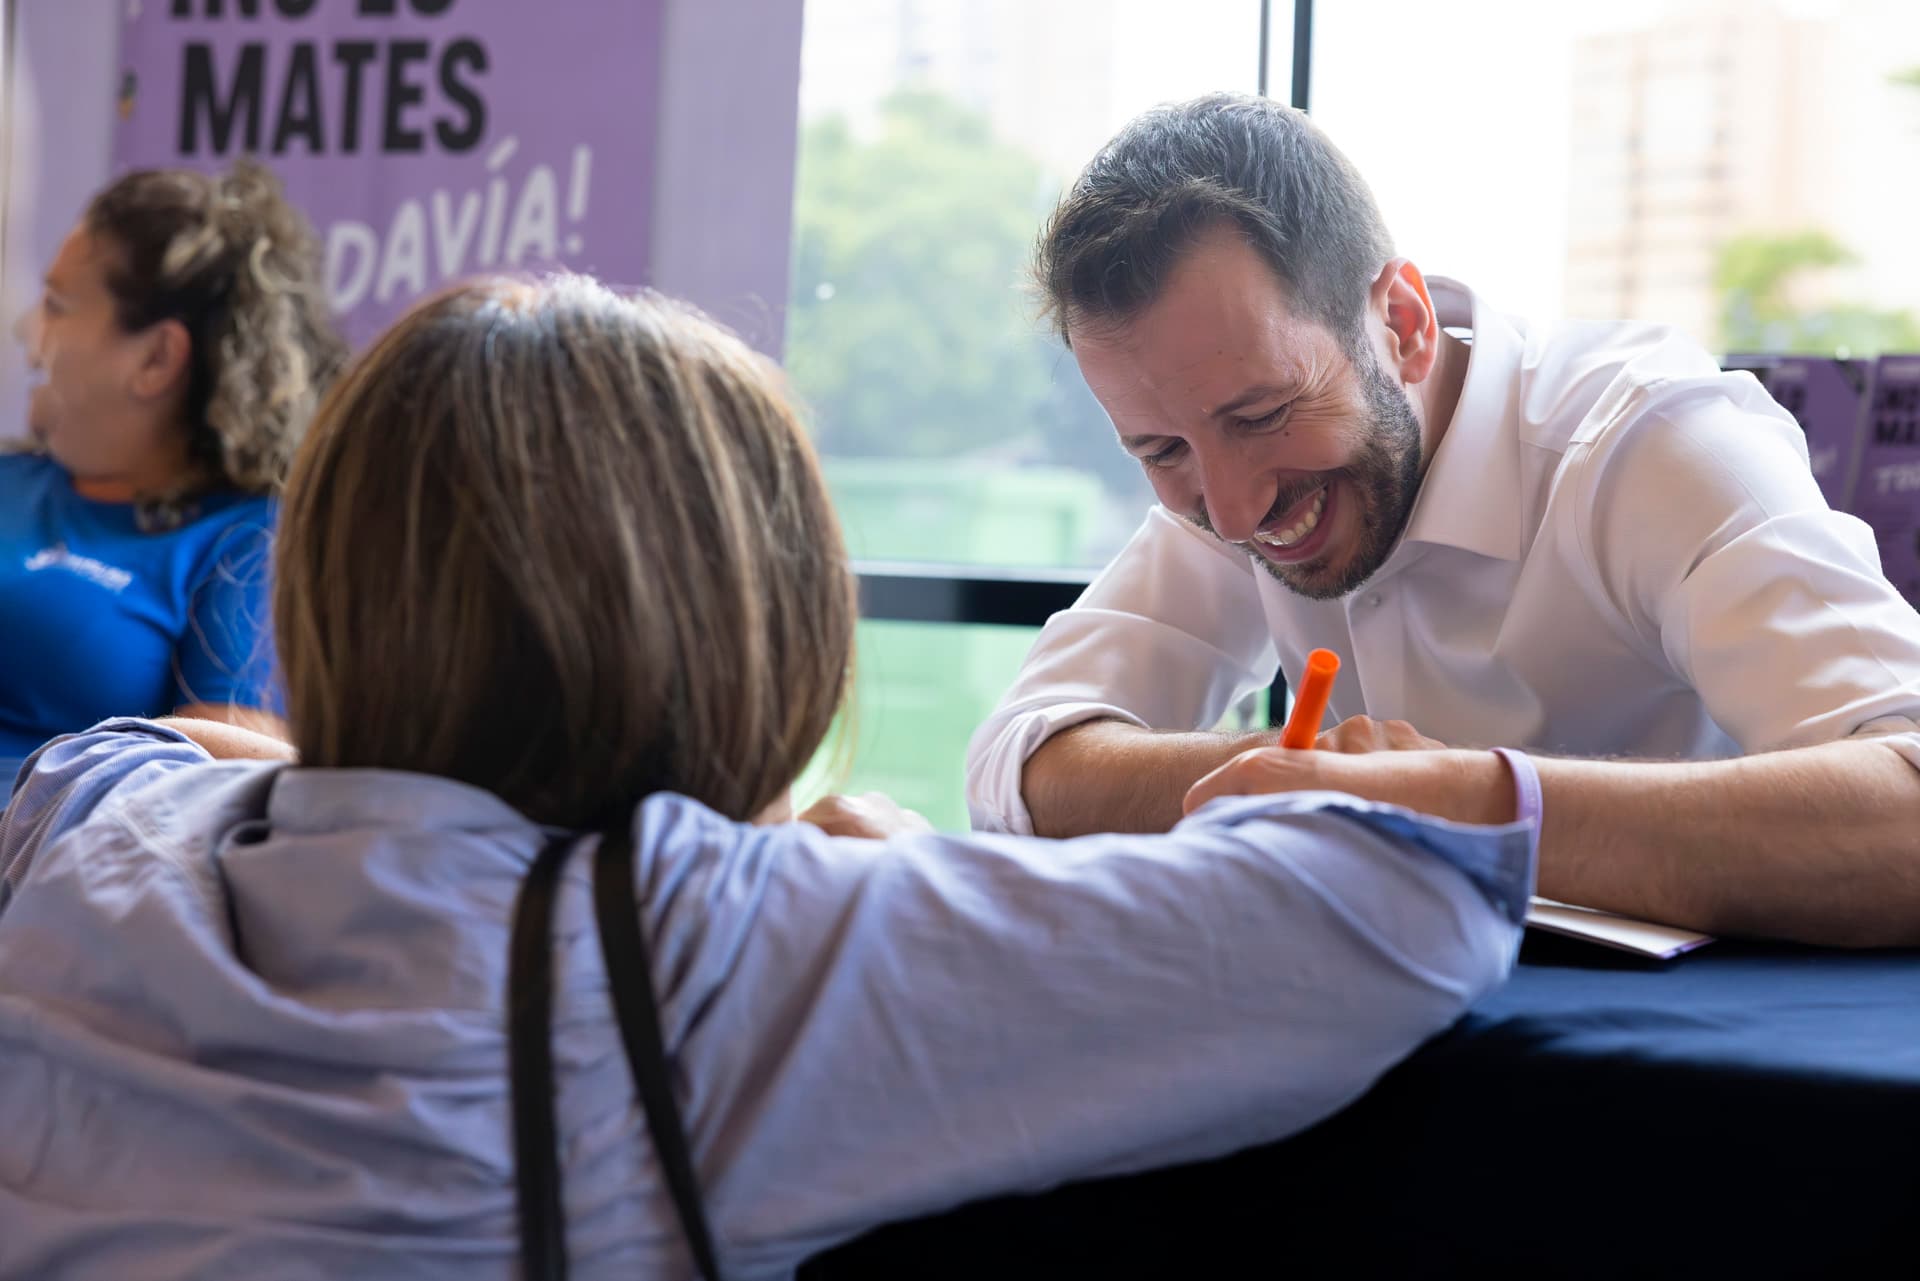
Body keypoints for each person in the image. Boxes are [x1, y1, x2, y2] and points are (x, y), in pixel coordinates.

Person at [0, 276, 1535, 1279]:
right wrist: (857, 864)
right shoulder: (710, 944)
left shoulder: (90, 822)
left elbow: (151, 749)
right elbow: (1399, 904)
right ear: (753, 607)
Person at [966, 93, 1920, 948]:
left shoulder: (1655, 445)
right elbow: (1025, 758)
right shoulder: (1226, 472)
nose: (1233, 509)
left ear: (1404, 324)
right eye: (1158, 452)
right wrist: (1300, 779)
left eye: (1261, 416)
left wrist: (1458, 799)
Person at [0, 159, 345, 795]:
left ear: (156, 359)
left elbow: (243, 773)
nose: (29, 335)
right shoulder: (12, 478)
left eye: (58, 305)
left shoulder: (244, 538)